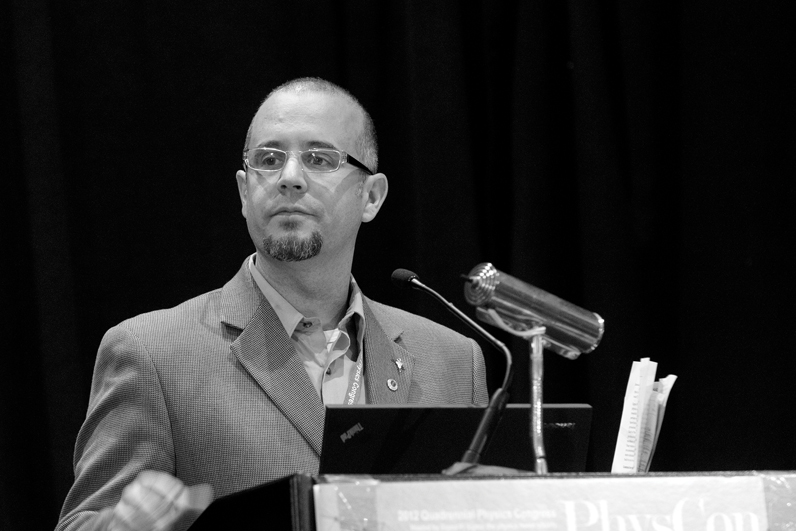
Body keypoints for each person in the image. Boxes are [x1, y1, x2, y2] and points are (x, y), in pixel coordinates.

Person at [57, 77, 488, 531]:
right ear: (245, 193)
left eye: (319, 159)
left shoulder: (456, 362)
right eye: (268, 159)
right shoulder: (152, 353)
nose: (289, 178)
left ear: (372, 196)